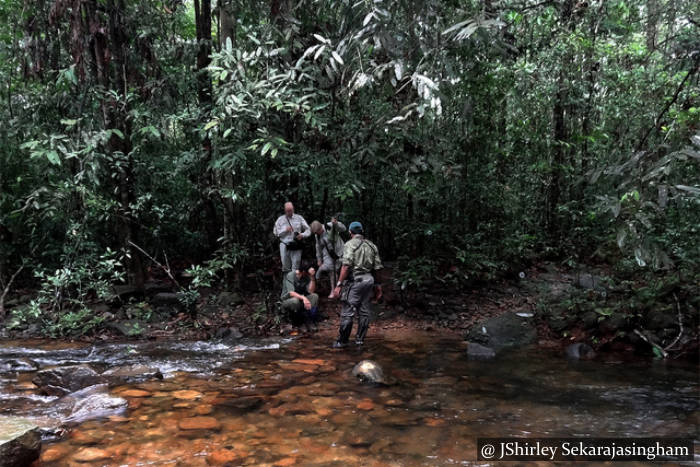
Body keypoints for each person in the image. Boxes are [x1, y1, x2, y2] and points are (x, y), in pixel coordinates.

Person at [330, 221, 383, 347]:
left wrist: (338, 284)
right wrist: (378, 286)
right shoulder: (372, 245)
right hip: (369, 280)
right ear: (362, 231)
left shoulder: (349, 244)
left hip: (356, 281)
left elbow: (346, 265)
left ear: (350, 232)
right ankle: (360, 340)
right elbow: (378, 268)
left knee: (348, 310)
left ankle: (342, 342)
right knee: (364, 311)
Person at [310, 218, 346, 297]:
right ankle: (333, 290)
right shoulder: (317, 236)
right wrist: (319, 259)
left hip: (340, 251)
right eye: (316, 233)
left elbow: (343, 228)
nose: (318, 233)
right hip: (329, 254)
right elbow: (318, 248)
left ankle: (343, 291)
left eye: (318, 231)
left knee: (344, 270)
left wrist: (336, 224)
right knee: (331, 271)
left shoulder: (329, 226)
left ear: (320, 228)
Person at [280, 261, 319, 332]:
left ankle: (309, 320)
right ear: (303, 272)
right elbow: (291, 293)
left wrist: (312, 278)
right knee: (295, 301)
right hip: (288, 301)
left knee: (314, 296)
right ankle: (298, 322)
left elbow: (311, 291)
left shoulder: (306, 276)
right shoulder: (291, 275)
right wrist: (304, 298)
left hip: (301, 300)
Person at [273, 202, 311, 274]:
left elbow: (308, 230)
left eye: (291, 210)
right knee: (285, 266)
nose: (289, 212)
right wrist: (284, 230)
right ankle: (287, 283)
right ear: (284, 210)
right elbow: (275, 232)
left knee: (296, 266)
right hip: (284, 244)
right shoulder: (280, 219)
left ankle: (294, 283)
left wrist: (302, 235)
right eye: (288, 211)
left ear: (293, 209)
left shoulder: (299, 218)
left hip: (296, 245)